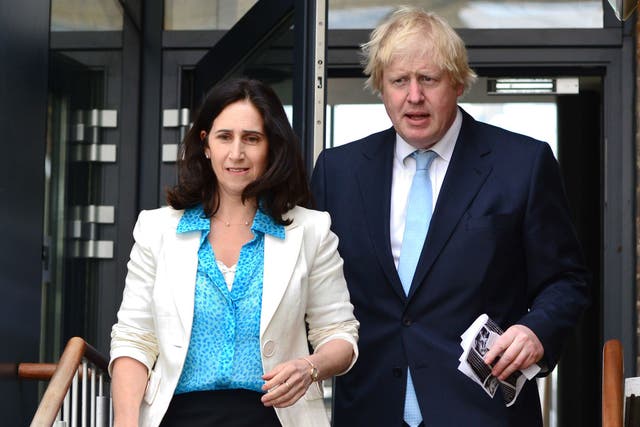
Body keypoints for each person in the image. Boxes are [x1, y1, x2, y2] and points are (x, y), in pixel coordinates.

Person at [311, 6, 589, 427]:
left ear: (458, 82)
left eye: (428, 79)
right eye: (399, 81)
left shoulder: (523, 164)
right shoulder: (337, 171)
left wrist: (535, 332)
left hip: (483, 413)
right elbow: (312, 291)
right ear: (380, 88)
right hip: (368, 411)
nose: (414, 96)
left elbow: (566, 281)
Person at [109, 77, 359, 427]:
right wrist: (125, 422)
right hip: (177, 418)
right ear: (206, 143)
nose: (236, 153)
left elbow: (340, 334)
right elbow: (134, 338)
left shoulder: (312, 231)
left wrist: (309, 367)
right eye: (224, 136)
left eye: (252, 139)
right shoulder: (157, 229)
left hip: (275, 418)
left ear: (271, 146)